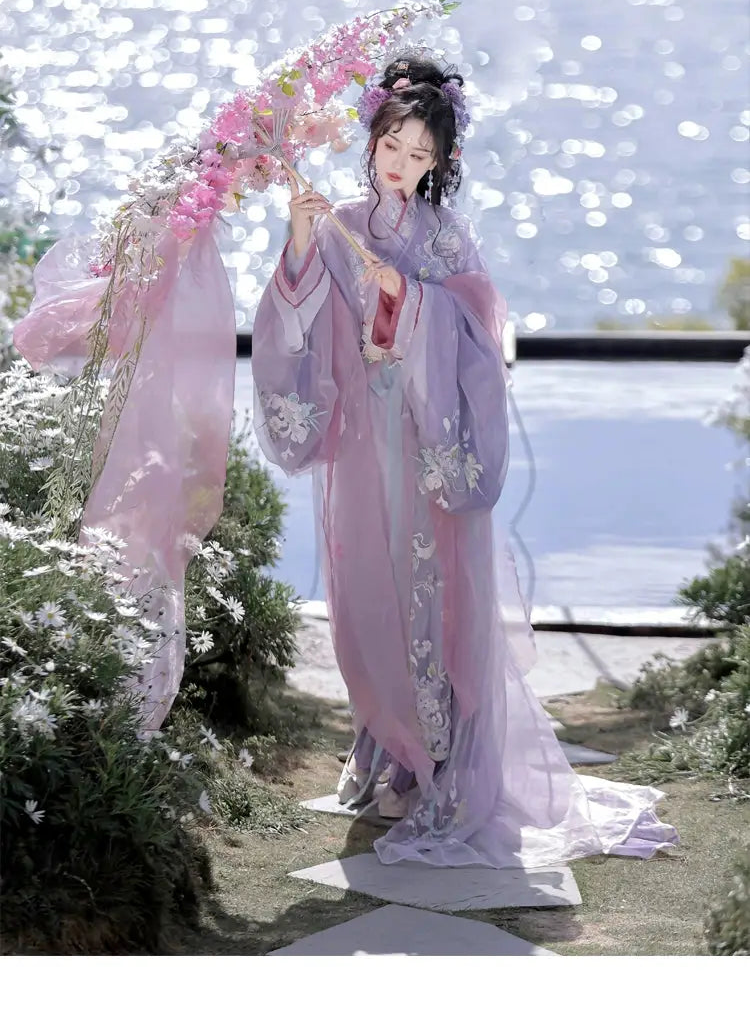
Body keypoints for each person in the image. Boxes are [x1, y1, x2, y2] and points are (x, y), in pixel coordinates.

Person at [251, 51, 678, 869]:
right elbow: (294, 322)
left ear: (443, 160)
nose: (404, 166)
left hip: (426, 439)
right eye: (392, 149)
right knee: (366, 592)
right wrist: (302, 245)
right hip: (361, 445)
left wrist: (412, 301)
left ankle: (438, 761)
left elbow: (480, 329)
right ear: (370, 140)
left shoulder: (444, 234)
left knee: (432, 593)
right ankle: (384, 747)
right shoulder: (333, 217)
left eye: (421, 155)